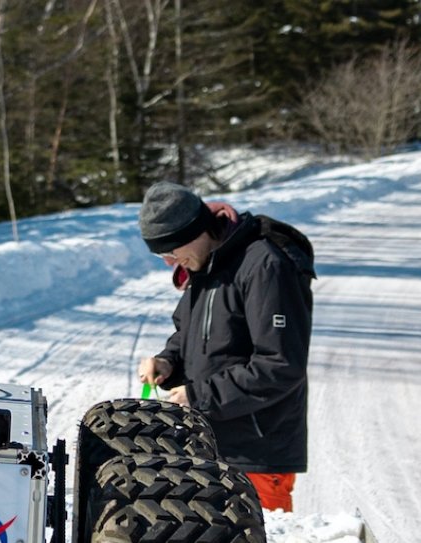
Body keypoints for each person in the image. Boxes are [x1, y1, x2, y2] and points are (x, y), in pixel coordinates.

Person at [135, 181, 316, 511]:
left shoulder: (265, 265)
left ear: (194, 232)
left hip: (257, 455)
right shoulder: (207, 265)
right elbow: (188, 334)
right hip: (209, 448)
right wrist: (167, 362)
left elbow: (280, 365)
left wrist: (199, 397)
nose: (169, 262)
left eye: (171, 251)